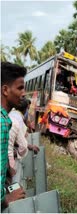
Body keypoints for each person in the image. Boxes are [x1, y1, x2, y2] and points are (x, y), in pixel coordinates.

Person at [1, 62, 26, 209]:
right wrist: (6, 199)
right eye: (20, 88)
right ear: (5, 90)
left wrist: (6, 170)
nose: (24, 93)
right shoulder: (2, 123)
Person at [8, 99, 40, 182]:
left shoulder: (9, 114)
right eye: (28, 109)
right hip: (9, 157)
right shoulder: (18, 121)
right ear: (25, 109)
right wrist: (18, 154)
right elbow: (22, 146)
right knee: (12, 181)